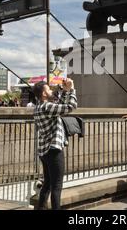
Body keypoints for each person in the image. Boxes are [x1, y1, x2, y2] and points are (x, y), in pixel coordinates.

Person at [33, 78, 77, 210]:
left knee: (47, 183)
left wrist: (64, 91)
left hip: (44, 152)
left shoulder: (38, 108)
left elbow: (60, 105)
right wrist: (72, 89)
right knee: (57, 186)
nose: (51, 90)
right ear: (44, 94)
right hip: (54, 150)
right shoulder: (47, 106)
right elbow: (70, 107)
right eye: (48, 89)